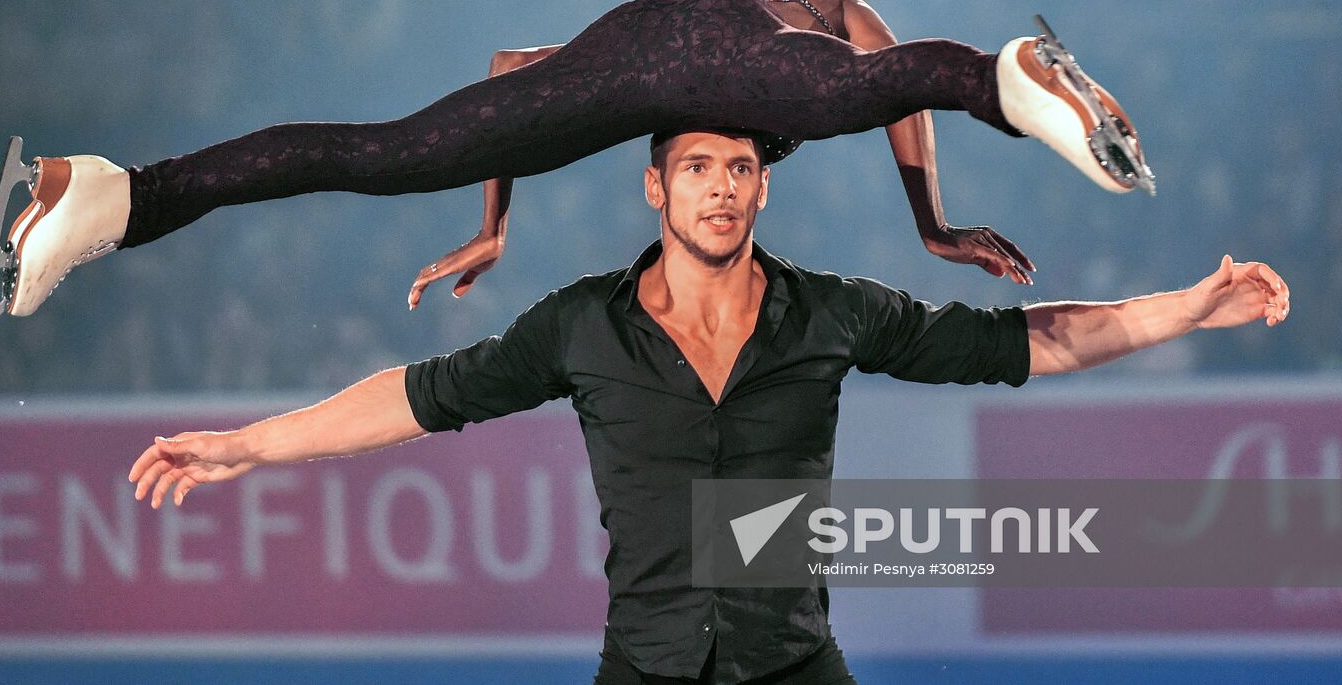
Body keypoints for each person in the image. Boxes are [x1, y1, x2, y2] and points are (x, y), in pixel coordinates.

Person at [129, 130, 1284, 685]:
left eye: (738, 166)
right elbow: (418, 398)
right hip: (643, 667)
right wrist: (245, 445)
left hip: (795, 665)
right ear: (655, 185)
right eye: (695, 166)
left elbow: (1018, 345)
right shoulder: (579, 327)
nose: (720, 186)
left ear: (762, 185)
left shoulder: (832, 313)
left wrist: (1186, 307)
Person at [0, 0, 1153, 321]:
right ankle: (1015, 72)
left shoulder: (656, 18)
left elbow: (504, 66)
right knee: (883, 84)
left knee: (374, 155)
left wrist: (496, 218)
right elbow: (889, 95)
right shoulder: (810, 20)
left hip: (607, 63)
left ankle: (112, 194)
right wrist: (927, 227)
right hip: (721, 69)